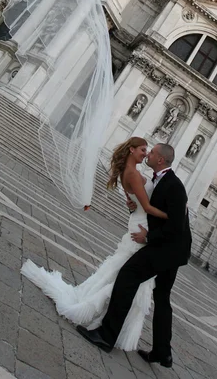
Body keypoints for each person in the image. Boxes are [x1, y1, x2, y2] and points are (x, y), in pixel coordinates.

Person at [21, 137, 170, 351]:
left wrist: (135, 206)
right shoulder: (132, 174)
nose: (146, 153)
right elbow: (146, 206)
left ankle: (107, 321)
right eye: (143, 149)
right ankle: (102, 319)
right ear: (132, 149)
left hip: (139, 224)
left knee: (120, 275)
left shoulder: (131, 173)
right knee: (123, 277)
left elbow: (136, 204)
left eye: (148, 150)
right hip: (142, 227)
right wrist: (170, 217)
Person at [77, 143, 191, 369]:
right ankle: (162, 352)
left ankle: (107, 336)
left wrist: (149, 238)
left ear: (160, 160)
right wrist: (134, 206)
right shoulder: (162, 180)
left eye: (153, 152)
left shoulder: (174, 186)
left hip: (168, 248)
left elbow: (177, 225)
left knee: (128, 275)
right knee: (162, 297)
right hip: (172, 249)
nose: (148, 154)